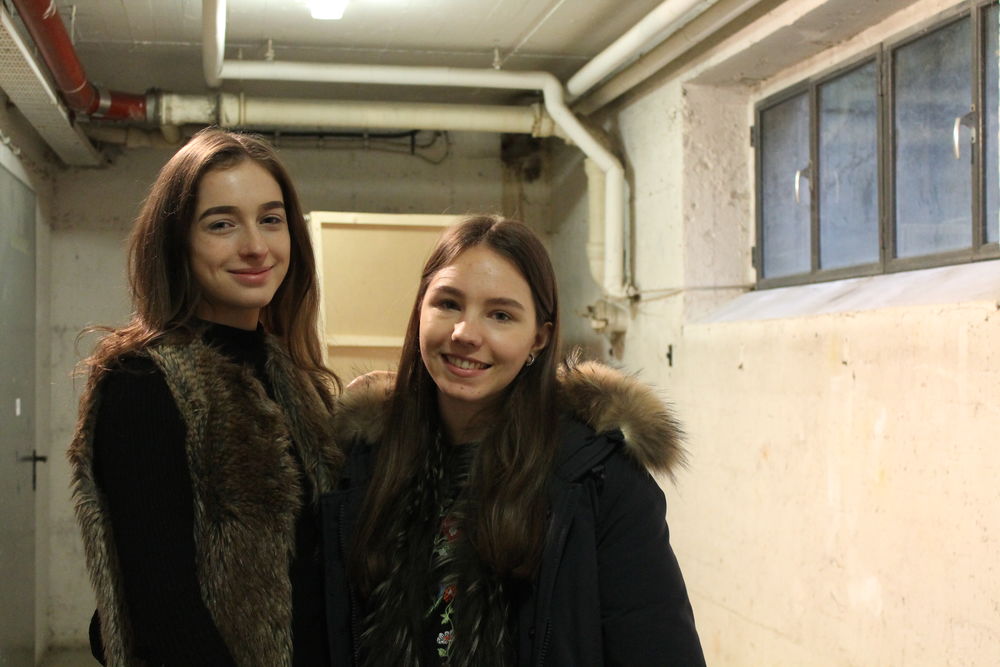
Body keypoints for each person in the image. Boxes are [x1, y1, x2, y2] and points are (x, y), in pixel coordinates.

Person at [324, 215, 705, 666]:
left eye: (501, 315)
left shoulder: (598, 480)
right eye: (448, 304)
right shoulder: (359, 465)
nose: (465, 333)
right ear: (419, 311)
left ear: (539, 339)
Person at [69, 127, 341, 667]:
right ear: (176, 243)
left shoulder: (298, 379)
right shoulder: (144, 381)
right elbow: (164, 615)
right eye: (221, 224)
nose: (256, 246)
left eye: (271, 219)